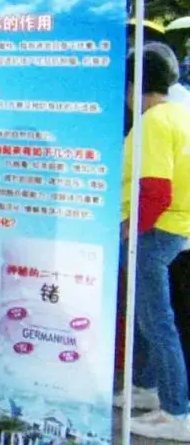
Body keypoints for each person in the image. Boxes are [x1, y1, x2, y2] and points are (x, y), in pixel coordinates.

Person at [118, 44, 190, 441]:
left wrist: (132, 228)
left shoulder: (153, 122)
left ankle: (176, 411)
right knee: (148, 315)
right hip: (174, 228)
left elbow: (157, 191)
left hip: (154, 231)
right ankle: (147, 387)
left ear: (133, 86)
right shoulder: (179, 114)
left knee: (157, 322)